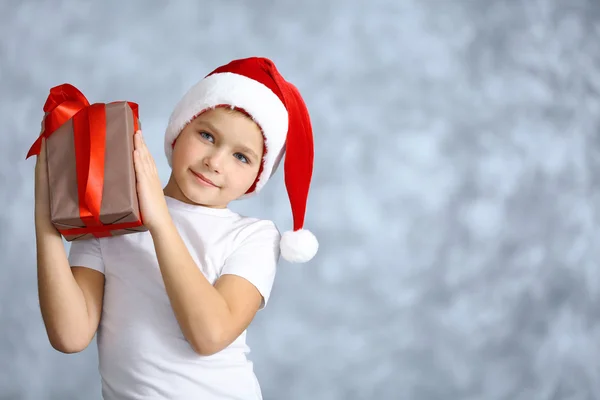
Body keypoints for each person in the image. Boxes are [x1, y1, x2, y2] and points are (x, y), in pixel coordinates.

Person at [34, 56, 318, 399]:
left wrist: (159, 220)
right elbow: (70, 335)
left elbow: (210, 335)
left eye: (241, 157)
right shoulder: (112, 215)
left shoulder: (254, 236)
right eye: (207, 135)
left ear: (257, 177)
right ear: (179, 129)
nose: (215, 162)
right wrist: (46, 217)